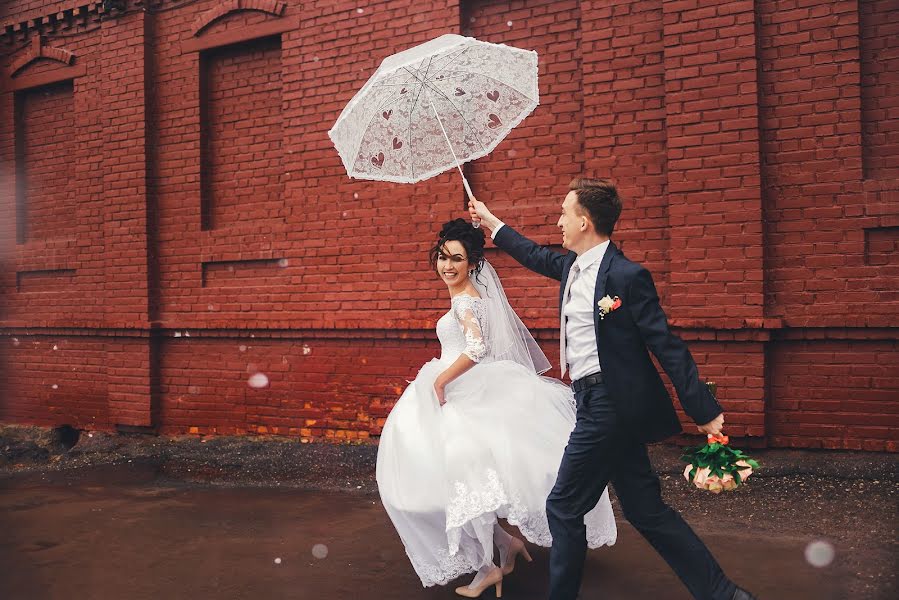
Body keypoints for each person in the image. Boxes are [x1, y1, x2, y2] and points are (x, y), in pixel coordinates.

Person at [468, 178, 756, 600]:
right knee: (646, 510)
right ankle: (725, 594)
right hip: (589, 402)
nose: (559, 220)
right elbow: (532, 253)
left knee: (563, 506)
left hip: (610, 405)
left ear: (584, 222)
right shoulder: (570, 268)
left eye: (564, 213)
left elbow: (665, 343)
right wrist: (490, 221)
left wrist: (702, 408)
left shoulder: (626, 275)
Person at [376, 218, 616, 598]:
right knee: (465, 479)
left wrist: (440, 381)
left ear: (473, 262)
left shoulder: (466, 300)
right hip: (466, 384)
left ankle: (489, 567)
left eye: (456, 259)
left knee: (460, 479)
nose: (447, 266)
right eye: (442, 257)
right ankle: (504, 545)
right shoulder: (467, 296)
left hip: (460, 388)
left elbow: (476, 349)